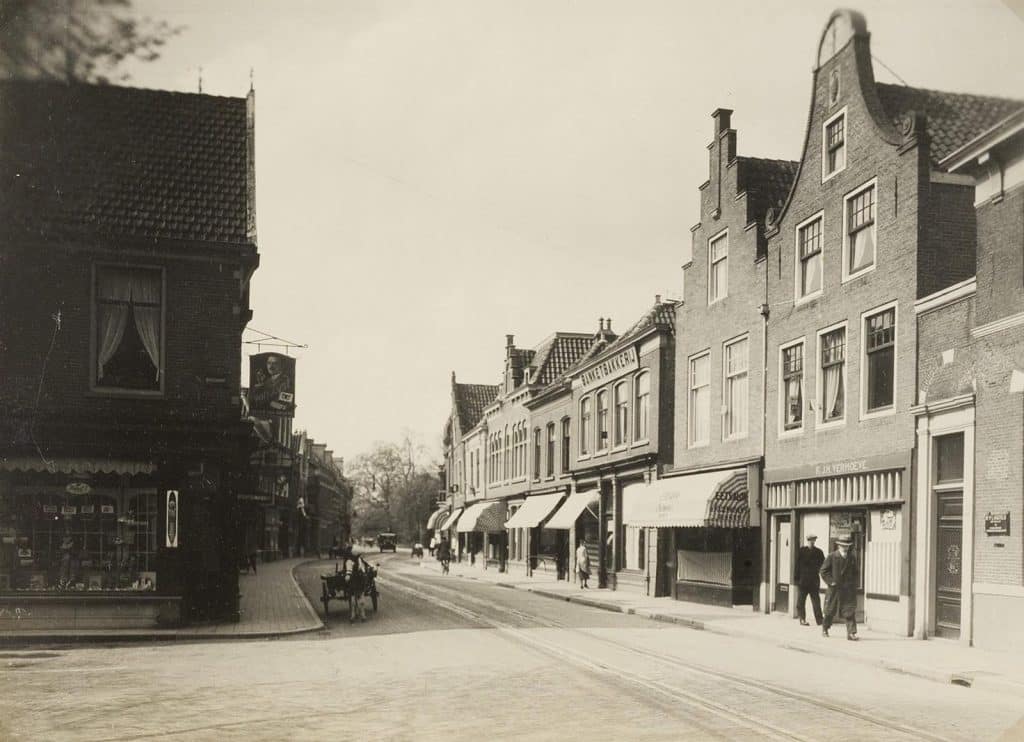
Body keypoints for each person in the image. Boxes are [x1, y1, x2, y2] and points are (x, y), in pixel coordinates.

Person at [820, 535, 859, 640]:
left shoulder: (852, 558)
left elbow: (856, 572)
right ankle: (825, 628)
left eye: (847, 546)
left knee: (849, 611)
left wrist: (854, 584)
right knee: (830, 610)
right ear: (839, 546)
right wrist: (831, 582)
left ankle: (851, 633)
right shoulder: (832, 556)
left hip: (848, 589)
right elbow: (823, 571)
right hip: (834, 589)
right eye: (843, 546)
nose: (845, 548)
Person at [795, 534, 825, 626]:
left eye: (813, 541)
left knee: (816, 602)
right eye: (810, 541)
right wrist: (796, 579)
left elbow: (823, 565)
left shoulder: (819, 552)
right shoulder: (802, 551)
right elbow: (797, 566)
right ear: (807, 541)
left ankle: (820, 620)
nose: (811, 542)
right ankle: (802, 619)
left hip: (814, 581)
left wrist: (818, 571)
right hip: (803, 581)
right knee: (801, 601)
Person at [348, 558, 367, 623]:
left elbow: (362, 567)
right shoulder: (349, 560)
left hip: (359, 582)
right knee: (353, 601)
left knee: (361, 601)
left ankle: (362, 615)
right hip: (353, 581)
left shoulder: (359, 560)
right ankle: (353, 615)